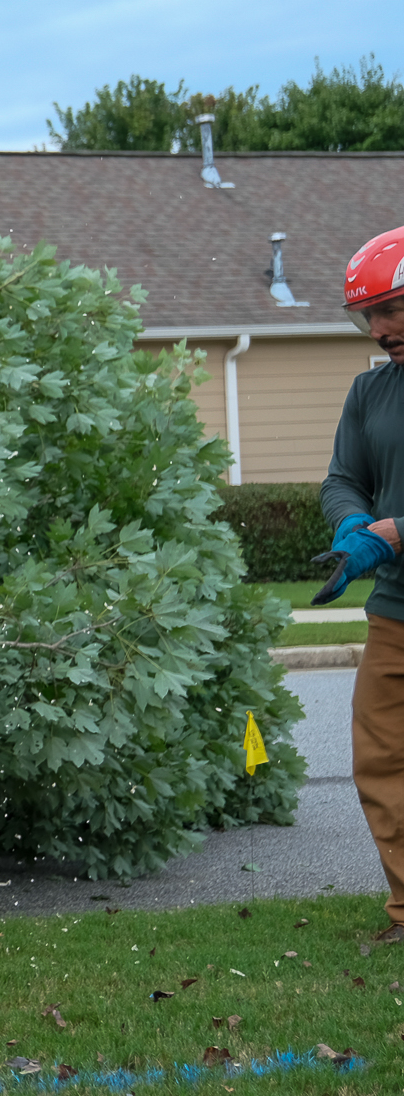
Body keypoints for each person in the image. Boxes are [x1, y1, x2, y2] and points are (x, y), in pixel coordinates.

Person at [319, 225, 404, 941]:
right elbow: (344, 478)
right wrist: (353, 526)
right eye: (367, 314)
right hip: (396, 614)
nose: (379, 329)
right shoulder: (369, 392)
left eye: (393, 308)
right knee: (380, 760)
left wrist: (397, 532)